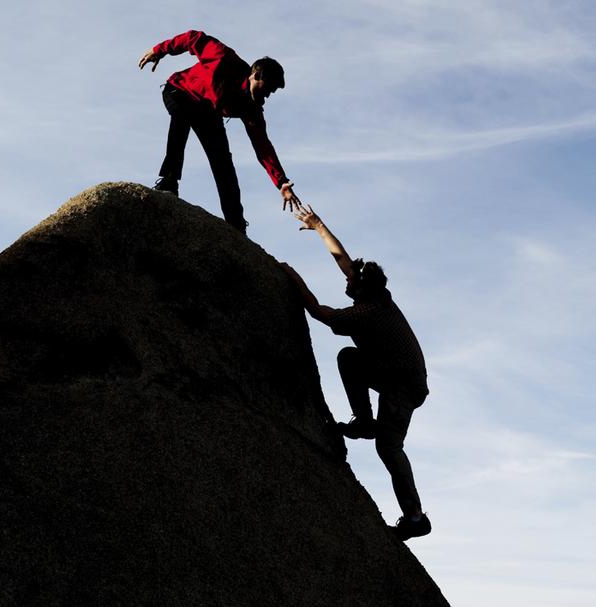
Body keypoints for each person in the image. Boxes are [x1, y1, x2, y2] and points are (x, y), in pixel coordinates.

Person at [281, 205, 432, 541]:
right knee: (350, 358)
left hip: (404, 386)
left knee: (388, 447)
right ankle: (363, 420)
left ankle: (415, 517)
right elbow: (345, 261)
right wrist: (318, 225)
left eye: (352, 281)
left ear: (363, 290)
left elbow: (319, 312)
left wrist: (294, 279)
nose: (347, 279)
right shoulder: (376, 296)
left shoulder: (366, 313)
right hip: (391, 373)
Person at [138, 30, 302, 234]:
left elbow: (263, 147)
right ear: (255, 75)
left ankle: (236, 224)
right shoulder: (224, 58)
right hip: (179, 91)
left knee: (223, 163)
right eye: (268, 88)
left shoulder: (252, 110)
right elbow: (193, 38)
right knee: (182, 115)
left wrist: (281, 182)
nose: (268, 95)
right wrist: (159, 50)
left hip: (207, 111)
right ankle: (169, 181)